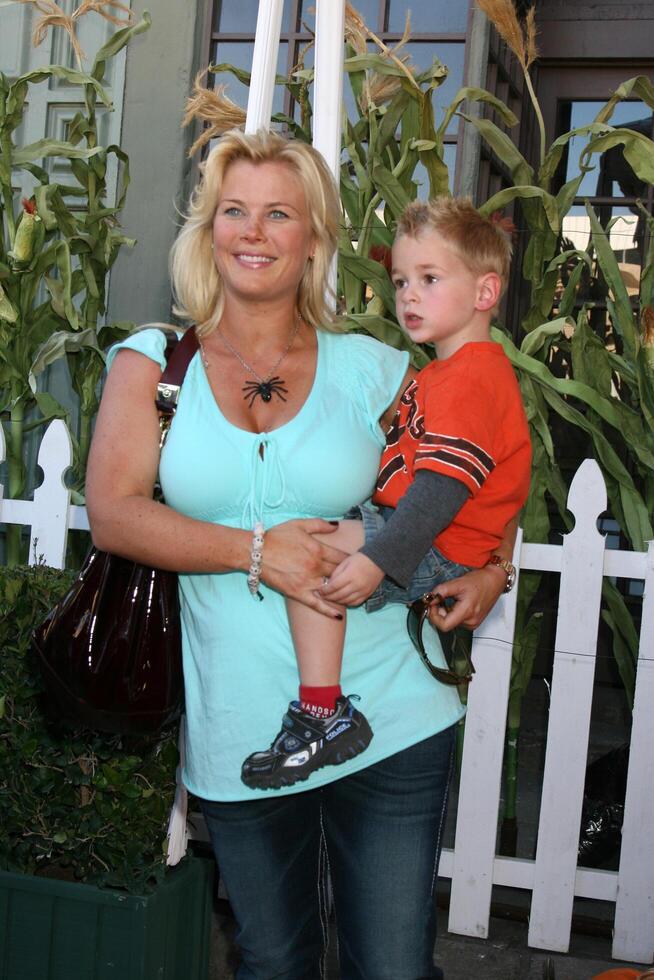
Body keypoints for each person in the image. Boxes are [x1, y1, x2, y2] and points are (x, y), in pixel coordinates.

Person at [86, 128, 515, 980]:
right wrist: (256, 551)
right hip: (244, 727)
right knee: (273, 962)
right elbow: (113, 516)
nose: (252, 230)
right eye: (233, 210)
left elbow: (480, 462)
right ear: (208, 230)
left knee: (390, 969)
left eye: (278, 213)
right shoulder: (152, 365)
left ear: (313, 238)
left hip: (392, 714)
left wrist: (493, 567)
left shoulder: (376, 368)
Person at [242, 197, 531, 789]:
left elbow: (442, 488)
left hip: (434, 543)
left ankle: (323, 713)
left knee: (306, 549)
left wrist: (380, 559)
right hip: (418, 531)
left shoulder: (475, 376)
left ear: (484, 293)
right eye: (401, 281)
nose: (408, 296)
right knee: (308, 541)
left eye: (429, 279)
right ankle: (323, 709)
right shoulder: (442, 373)